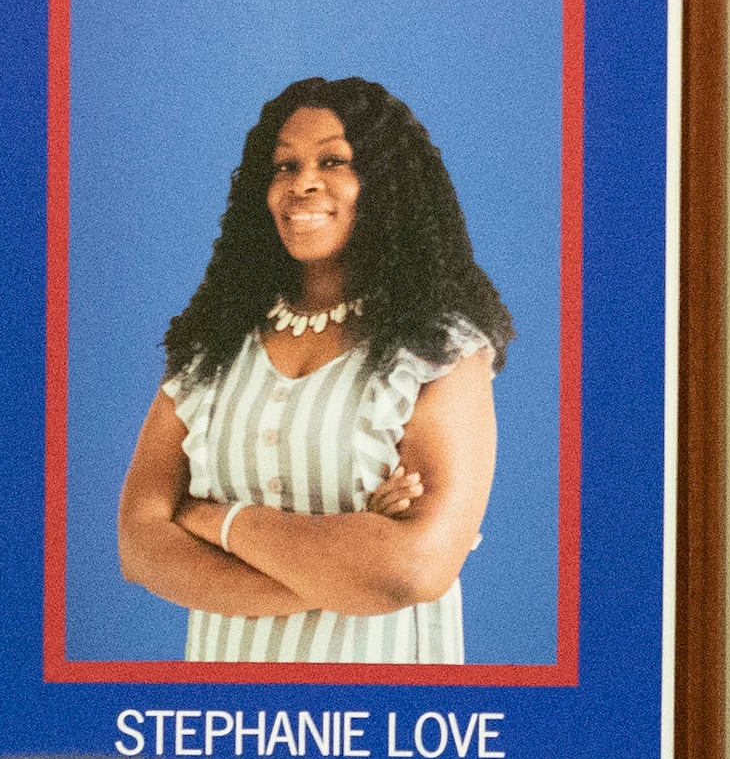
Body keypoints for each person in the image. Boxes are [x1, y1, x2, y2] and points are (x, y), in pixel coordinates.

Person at [115, 74, 509, 667]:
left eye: (334, 160)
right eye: (282, 166)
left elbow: (413, 567)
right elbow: (139, 545)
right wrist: (346, 561)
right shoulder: (211, 349)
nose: (303, 182)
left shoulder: (441, 354)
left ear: (384, 184)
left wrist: (213, 521)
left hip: (381, 732)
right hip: (223, 729)